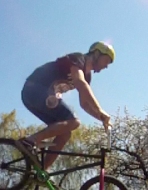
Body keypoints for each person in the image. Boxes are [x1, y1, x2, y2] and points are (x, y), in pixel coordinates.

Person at [16, 41, 114, 170]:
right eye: (106, 60)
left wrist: (100, 117)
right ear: (96, 54)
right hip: (35, 89)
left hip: (42, 97)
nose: (106, 66)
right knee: (74, 121)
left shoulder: (87, 76)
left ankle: (41, 170)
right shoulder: (79, 59)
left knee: (65, 133)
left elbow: (84, 104)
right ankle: (30, 141)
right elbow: (80, 82)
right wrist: (100, 109)